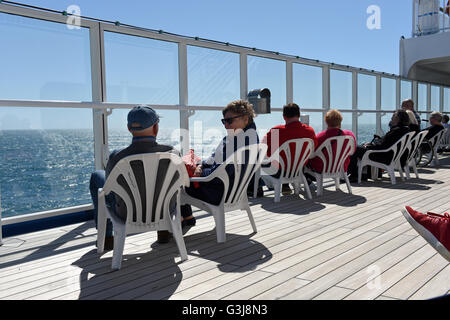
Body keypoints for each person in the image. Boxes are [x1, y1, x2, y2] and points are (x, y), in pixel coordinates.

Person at [89, 105, 193, 250]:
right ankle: (163, 230)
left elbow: (109, 190)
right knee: (163, 184)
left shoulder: (117, 157)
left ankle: (107, 237)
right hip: (165, 211)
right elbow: (178, 184)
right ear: (156, 128)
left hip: (126, 213)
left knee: (97, 177)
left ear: (129, 128)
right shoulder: (172, 153)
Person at [185, 99, 259, 207]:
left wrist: (200, 172)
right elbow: (215, 158)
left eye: (230, 121)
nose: (226, 125)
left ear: (246, 119)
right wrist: (200, 165)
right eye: (224, 121)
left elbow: (220, 173)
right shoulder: (249, 138)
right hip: (236, 191)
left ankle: (184, 219)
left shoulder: (238, 141)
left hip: (220, 192)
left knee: (177, 183)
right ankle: (187, 218)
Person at [261, 103, 317, 194]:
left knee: (259, 163)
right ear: (299, 115)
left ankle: (257, 190)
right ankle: (285, 185)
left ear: (284, 117)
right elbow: (312, 150)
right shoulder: (309, 131)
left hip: (278, 173)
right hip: (299, 170)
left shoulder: (277, 131)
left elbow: (266, 151)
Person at [347, 109, 411, 181]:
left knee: (354, 148)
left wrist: (369, 146)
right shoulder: (403, 130)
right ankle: (362, 174)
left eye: (394, 116)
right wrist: (371, 144)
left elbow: (383, 147)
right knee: (360, 147)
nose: (391, 118)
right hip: (390, 156)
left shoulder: (396, 131)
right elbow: (387, 143)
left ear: (398, 119)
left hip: (383, 156)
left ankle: (353, 175)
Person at [307, 109, 356, 174]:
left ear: (326, 121)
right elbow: (352, 151)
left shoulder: (320, 136)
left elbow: (311, 154)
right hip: (341, 167)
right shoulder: (350, 135)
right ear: (340, 120)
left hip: (322, 168)